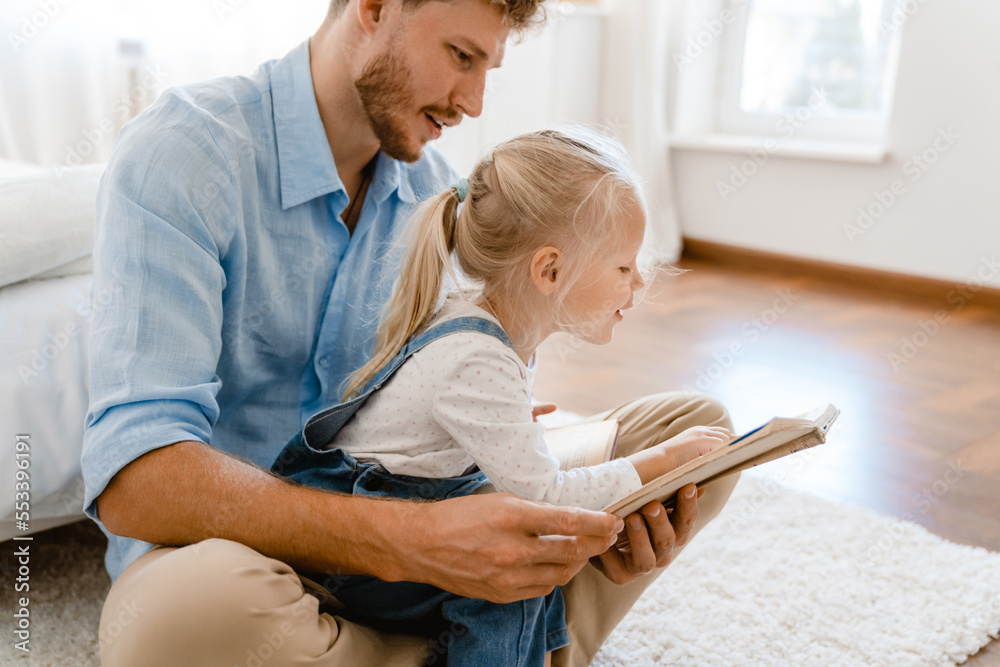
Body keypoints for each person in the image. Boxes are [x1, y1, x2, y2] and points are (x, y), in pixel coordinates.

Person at [82, 0, 740, 664]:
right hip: (244, 562)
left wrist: (586, 519)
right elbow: (135, 478)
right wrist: (410, 538)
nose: (475, 103)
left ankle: (479, 622)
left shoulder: (445, 200)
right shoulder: (186, 153)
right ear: (373, 8)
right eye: (461, 56)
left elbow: (464, 416)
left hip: (419, 512)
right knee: (174, 621)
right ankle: (510, 635)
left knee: (697, 433)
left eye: (489, 67)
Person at [270, 128, 735, 666]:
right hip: (365, 553)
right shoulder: (479, 355)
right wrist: (661, 461)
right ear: (550, 270)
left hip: (414, 499)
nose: (639, 283)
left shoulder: (489, 326)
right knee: (518, 572)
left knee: (523, 535)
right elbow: (546, 499)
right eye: (624, 268)